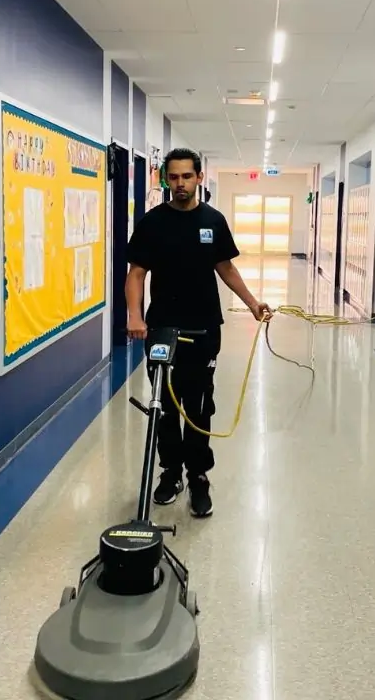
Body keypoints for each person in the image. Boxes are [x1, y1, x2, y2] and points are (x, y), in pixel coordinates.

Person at [125, 147, 271, 518]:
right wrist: (135, 317)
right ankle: (170, 472)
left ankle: (199, 476)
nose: (180, 184)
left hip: (204, 327)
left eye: (186, 177)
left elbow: (226, 268)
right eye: (173, 177)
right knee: (165, 405)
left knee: (199, 404)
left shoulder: (213, 221)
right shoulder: (152, 223)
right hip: (161, 328)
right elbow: (136, 275)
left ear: (199, 178)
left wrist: (253, 303)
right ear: (166, 180)